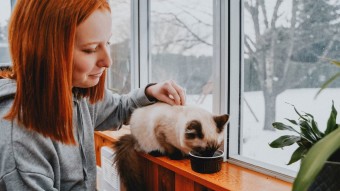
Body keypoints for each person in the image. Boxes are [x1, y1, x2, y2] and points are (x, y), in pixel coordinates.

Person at [0, 0, 186, 190]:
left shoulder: (77, 93)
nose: (108, 61)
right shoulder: (20, 138)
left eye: (107, 43)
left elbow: (119, 109)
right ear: (45, 50)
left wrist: (150, 92)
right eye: (90, 49)